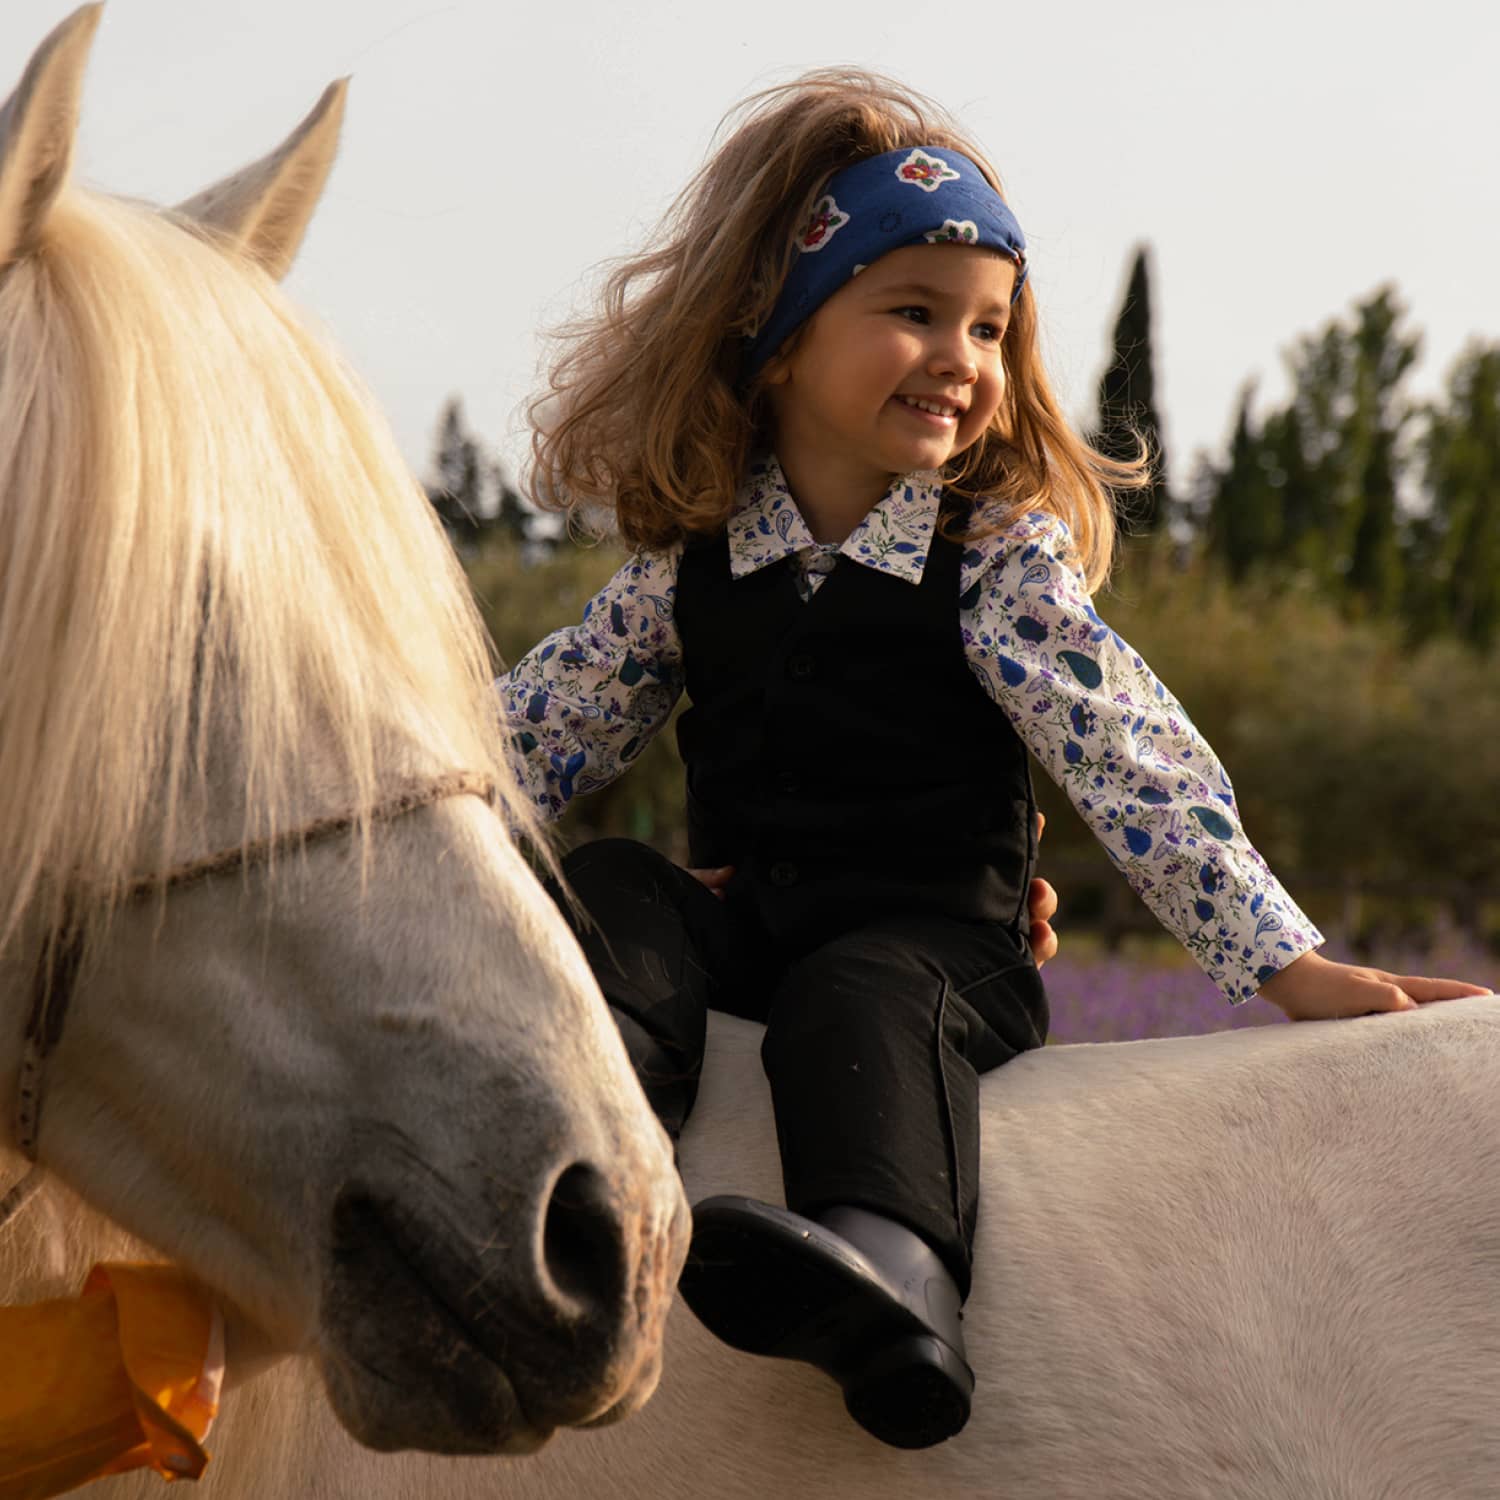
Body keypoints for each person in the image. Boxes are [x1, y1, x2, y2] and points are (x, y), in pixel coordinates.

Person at [496, 70, 1489, 1450]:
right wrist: (397, 825)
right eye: (911, 311)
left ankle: (890, 1272)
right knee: (605, 887)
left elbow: (1133, 759)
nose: (962, 355)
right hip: (750, 923)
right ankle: (582, 1171)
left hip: (935, 950)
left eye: (988, 326)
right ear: (780, 340)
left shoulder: (992, 565)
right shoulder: (692, 567)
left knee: (862, 991)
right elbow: (532, 731)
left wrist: (1285, 961)